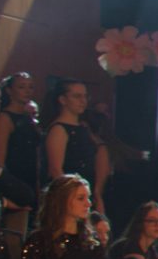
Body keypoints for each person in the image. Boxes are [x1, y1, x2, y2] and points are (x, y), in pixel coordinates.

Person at [43, 79, 111, 212]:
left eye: (85, 96)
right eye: (77, 96)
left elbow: (100, 152)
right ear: (63, 100)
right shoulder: (58, 129)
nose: (83, 101)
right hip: (68, 197)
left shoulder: (83, 127)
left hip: (85, 192)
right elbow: (56, 170)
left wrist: (96, 194)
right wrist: (72, 198)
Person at [0, 73, 44, 196]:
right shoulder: (4, 118)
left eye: (30, 87)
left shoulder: (28, 117)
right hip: (13, 177)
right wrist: (7, 185)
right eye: (21, 87)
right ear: (9, 90)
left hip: (31, 177)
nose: (27, 91)